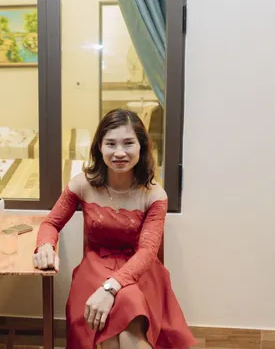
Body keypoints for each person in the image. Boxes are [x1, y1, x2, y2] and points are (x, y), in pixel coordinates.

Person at [33, 109, 195, 349]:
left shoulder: (154, 195)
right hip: (94, 266)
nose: (119, 152)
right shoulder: (82, 184)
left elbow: (148, 251)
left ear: (141, 146)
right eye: (111, 144)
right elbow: (52, 223)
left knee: (129, 317)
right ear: (100, 146)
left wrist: (110, 289)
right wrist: (45, 244)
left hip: (139, 269)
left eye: (128, 143)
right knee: (110, 336)